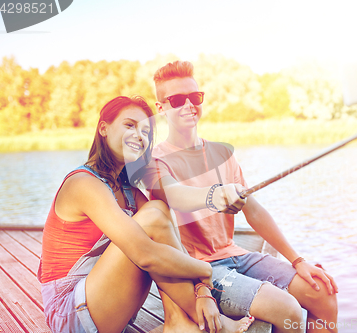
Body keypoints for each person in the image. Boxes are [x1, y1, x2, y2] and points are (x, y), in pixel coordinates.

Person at [142, 61, 339, 333]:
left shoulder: (222, 154)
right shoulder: (154, 160)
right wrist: (215, 195)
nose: (188, 105)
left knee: (323, 293)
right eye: (177, 100)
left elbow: (253, 210)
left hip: (235, 255)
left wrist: (297, 260)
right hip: (201, 271)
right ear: (161, 108)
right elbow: (175, 195)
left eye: (195, 97)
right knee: (288, 309)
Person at [38, 95, 255, 333]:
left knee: (158, 210)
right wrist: (205, 271)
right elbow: (145, 255)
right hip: (69, 312)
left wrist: (203, 289)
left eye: (146, 131)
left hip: (102, 302)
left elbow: (171, 243)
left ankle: (177, 322)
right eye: (129, 125)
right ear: (103, 128)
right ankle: (214, 325)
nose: (139, 136)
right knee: (152, 219)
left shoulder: (130, 193)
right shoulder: (83, 183)